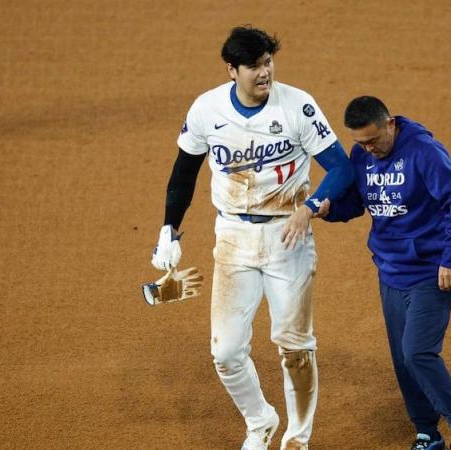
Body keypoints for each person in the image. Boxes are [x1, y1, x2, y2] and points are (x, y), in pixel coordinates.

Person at [150, 26, 354, 449]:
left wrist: (310, 206)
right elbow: (184, 173)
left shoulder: (297, 105)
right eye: (256, 66)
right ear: (232, 70)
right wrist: (169, 228)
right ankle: (260, 420)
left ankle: (298, 439)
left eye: (269, 62)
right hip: (233, 238)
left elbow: (342, 167)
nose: (266, 72)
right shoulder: (207, 110)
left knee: (295, 347)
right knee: (225, 353)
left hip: (288, 236)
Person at [318, 96, 451, 450]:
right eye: (360, 143)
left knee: (417, 352)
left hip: (432, 270)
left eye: (374, 140)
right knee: (402, 358)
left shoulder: (424, 152)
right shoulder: (363, 154)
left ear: (391, 124)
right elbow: (357, 203)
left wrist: (450, 256)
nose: (369, 148)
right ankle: (427, 433)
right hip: (391, 271)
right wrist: (329, 209)